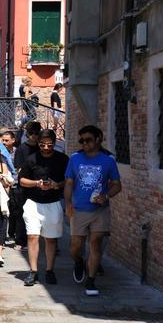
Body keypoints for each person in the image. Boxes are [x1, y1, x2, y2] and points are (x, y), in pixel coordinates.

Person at [65, 125, 122, 296]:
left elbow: (117, 185)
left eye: (88, 140)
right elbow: (68, 183)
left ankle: (90, 281)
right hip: (79, 209)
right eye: (81, 140)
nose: (84, 143)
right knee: (76, 247)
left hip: (100, 211)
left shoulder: (108, 160)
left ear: (99, 139)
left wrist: (106, 196)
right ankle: (79, 262)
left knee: (95, 244)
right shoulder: (75, 159)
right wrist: (67, 203)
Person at [19, 129, 69, 286]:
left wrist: (56, 185)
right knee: (32, 236)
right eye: (42, 144)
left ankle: (49, 270)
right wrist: (36, 183)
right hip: (33, 202)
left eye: (49, 144)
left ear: (54, 143)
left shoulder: (62, 159)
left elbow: (68, 181)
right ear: (38, 143)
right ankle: (33, 271)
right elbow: (22, 180)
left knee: (51, 239)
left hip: (54, 202)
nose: (46, 148)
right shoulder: (31, 159)